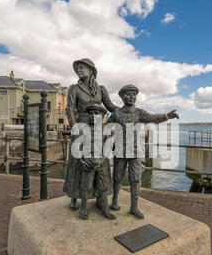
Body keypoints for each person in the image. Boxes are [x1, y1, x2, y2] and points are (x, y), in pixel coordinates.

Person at [107, 84, 179, 219]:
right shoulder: (116, 113)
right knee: (117, 178)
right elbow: (105, 127)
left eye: (134, 94)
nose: (132, 97)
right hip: (120, 151)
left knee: (135, 179)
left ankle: (134, 207)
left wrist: (166, 116)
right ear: (122, 97)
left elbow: (152, 118)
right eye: (128, 94)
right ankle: (114, 201)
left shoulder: (139, 112)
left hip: (135, 151)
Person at [63, 58, 116, 210]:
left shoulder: (101, 89)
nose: (79, 70)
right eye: (77, 68)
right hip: (81, 127)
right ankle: (74, 195)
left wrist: (126, 109)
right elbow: (70, 110)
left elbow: (110, 106)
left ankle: (101, 196)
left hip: (98, 127)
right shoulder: (74, 88)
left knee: (101, 162)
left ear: (91, 70)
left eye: (82, 67)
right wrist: (75, 129)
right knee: (77, 163)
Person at [78, 103, 115, 220]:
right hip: (88, 162)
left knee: (103, 186)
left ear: (102, 116)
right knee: (86, 186)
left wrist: (102, 160)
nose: (93, 116)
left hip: (102, 164)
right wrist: (82, 161)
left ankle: (105, 209)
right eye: (91, 113)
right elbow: (77, 147)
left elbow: (108, 147)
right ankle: (83, 208)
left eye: (96, 113)